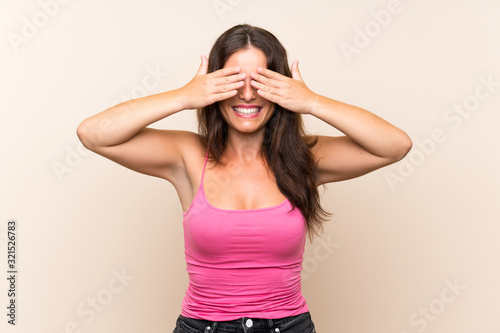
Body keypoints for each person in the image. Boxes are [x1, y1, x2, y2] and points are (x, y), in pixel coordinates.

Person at [77, 24, 412, 333]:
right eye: (234, 81)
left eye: (261, 82)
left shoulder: (304, 158)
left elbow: (395, 146)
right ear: (214, 86)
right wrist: (182, 97)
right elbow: (93, 134)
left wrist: (311, 102)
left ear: (280, 87)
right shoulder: (187, 156)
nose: (248, 95)